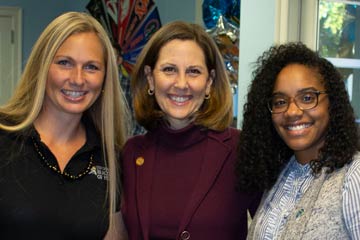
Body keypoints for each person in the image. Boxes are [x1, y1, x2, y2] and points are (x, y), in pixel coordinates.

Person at [121, 20, 261, 240]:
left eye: (194, 72)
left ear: (209, 82)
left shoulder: (241, 149)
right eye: (169, 70)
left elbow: (278, 228)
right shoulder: (131, 153)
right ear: (150, 78)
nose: (181, 83)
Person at [0, 12, 129, 239]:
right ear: (42, 67)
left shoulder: (109, 156)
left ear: (105, 78)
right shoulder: (5, 135)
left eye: (91, 67)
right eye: (64, 63)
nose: (78, 79)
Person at [236, 42, 360, 239]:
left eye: (308, 98)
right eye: (280, 102)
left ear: (332, 103)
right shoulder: (280, 175)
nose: (292, 112)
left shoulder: (353, 175)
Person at [112, 42, 146, 136]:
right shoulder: (95, 85)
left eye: (112, 56)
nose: (108, 60)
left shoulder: (130, 85)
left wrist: (130, 145)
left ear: (119, 60)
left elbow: (141, 122)